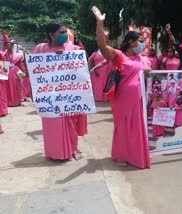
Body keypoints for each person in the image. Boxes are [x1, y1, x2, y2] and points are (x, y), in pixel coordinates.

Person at [92, 6, 151, 168]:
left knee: (137, 128)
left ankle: (137, 154)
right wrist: (99, 24)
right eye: (140, 41)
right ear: (131, 42)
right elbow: (103, 47)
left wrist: (148, 72)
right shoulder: (119, 56)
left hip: (139, 98)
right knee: (124, 128)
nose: (142, 45)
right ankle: (122, 155)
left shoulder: (144, 59)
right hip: (122, 99)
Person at [33, 23, 88, 160]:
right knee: (52, 125)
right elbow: (35, 71)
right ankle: (54, 152)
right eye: (61, 32)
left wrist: (67, 57)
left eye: (66, 32)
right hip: (49, 96)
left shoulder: (73, 49)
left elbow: (82, 69)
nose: (65, 35)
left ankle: (73, 149)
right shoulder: (40, 49)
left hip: (68, 95)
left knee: (70, 124)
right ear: (51, 35)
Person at [0, 40, 26, 107]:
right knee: (7, 86)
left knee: (17, 85)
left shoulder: (18, 55)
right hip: (6, 71)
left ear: (13, 46)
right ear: (5, 46)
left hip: (15, 71)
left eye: (10, 45)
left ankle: (17, 101)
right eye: (7, 45)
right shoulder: (3, 55)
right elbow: (1, 63)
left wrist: (23, 72)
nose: (9, 47)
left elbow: (19, 65)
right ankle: (8, 102)